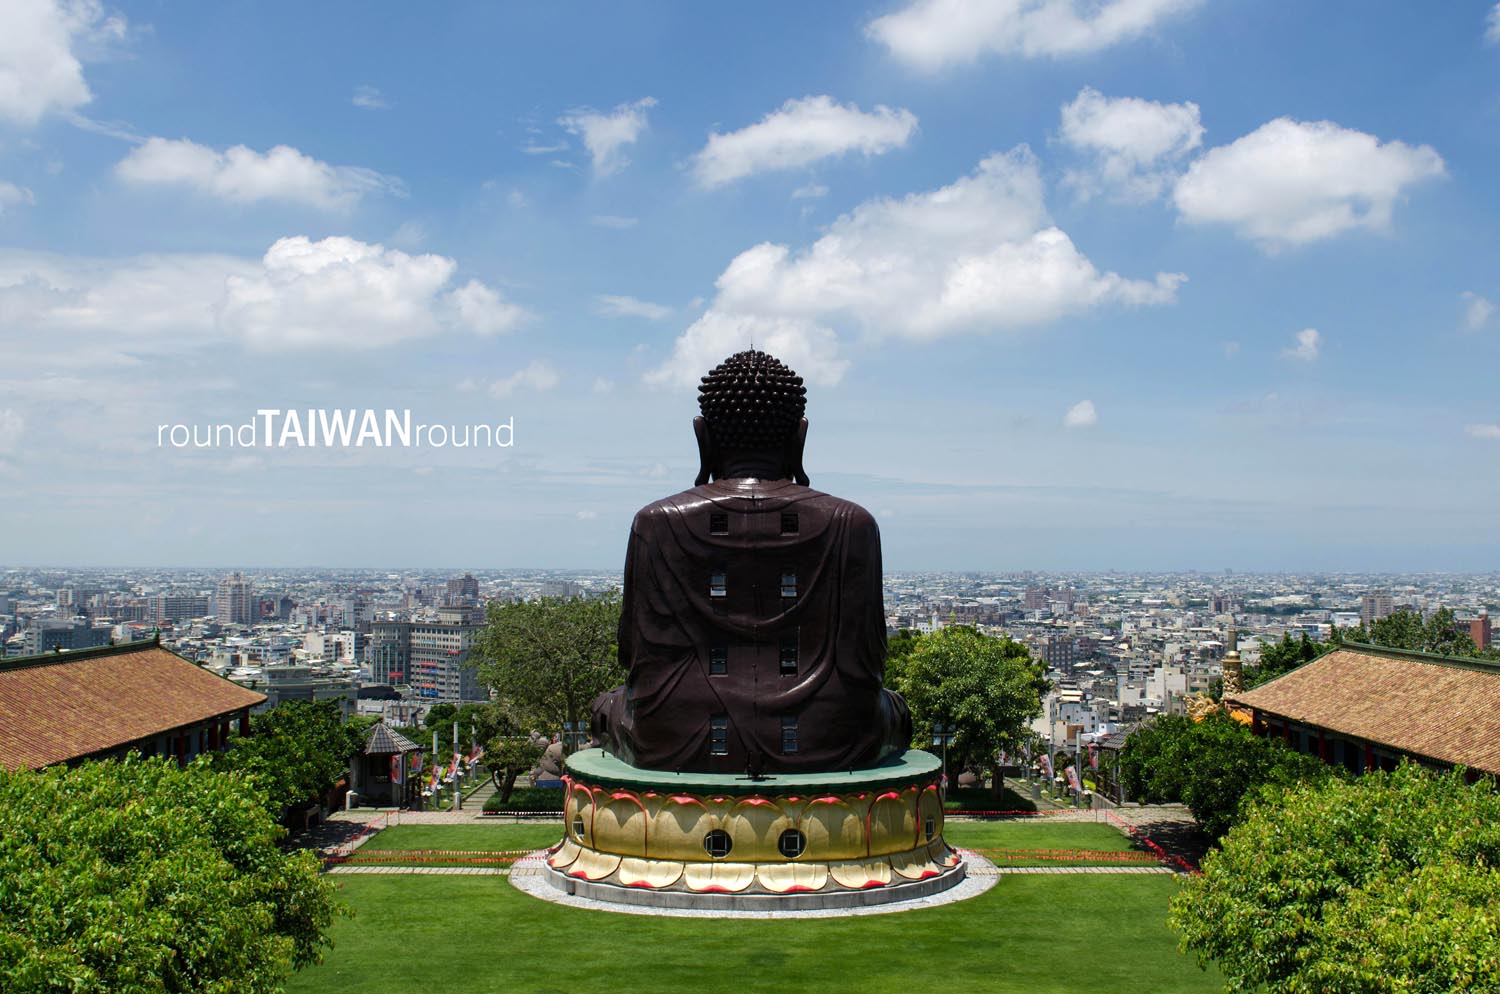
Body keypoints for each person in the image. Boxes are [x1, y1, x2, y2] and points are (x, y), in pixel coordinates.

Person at [591, 350, 910, 773]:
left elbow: (632, 655)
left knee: (604, 708)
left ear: (702, 437)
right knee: (895, 710)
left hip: (670, 734)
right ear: (800, 438)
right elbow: (869, 661)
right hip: (835, 736)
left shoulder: (656, 523)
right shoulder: (852, 523)